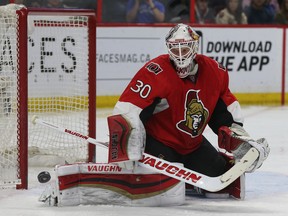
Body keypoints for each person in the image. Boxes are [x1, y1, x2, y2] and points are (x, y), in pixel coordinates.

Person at [108, 23, 270, 199]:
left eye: (184, 49)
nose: (179, 55)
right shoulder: (155, 72)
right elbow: (127, 111)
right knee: (163, 183)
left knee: (221, 176)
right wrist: (125, 147)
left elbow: (223, 113)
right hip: (160, 142)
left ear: (194, 48)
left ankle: (189, 179)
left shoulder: (215, 72)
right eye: (174, 49)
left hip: (192, 144)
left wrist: (238, 138)